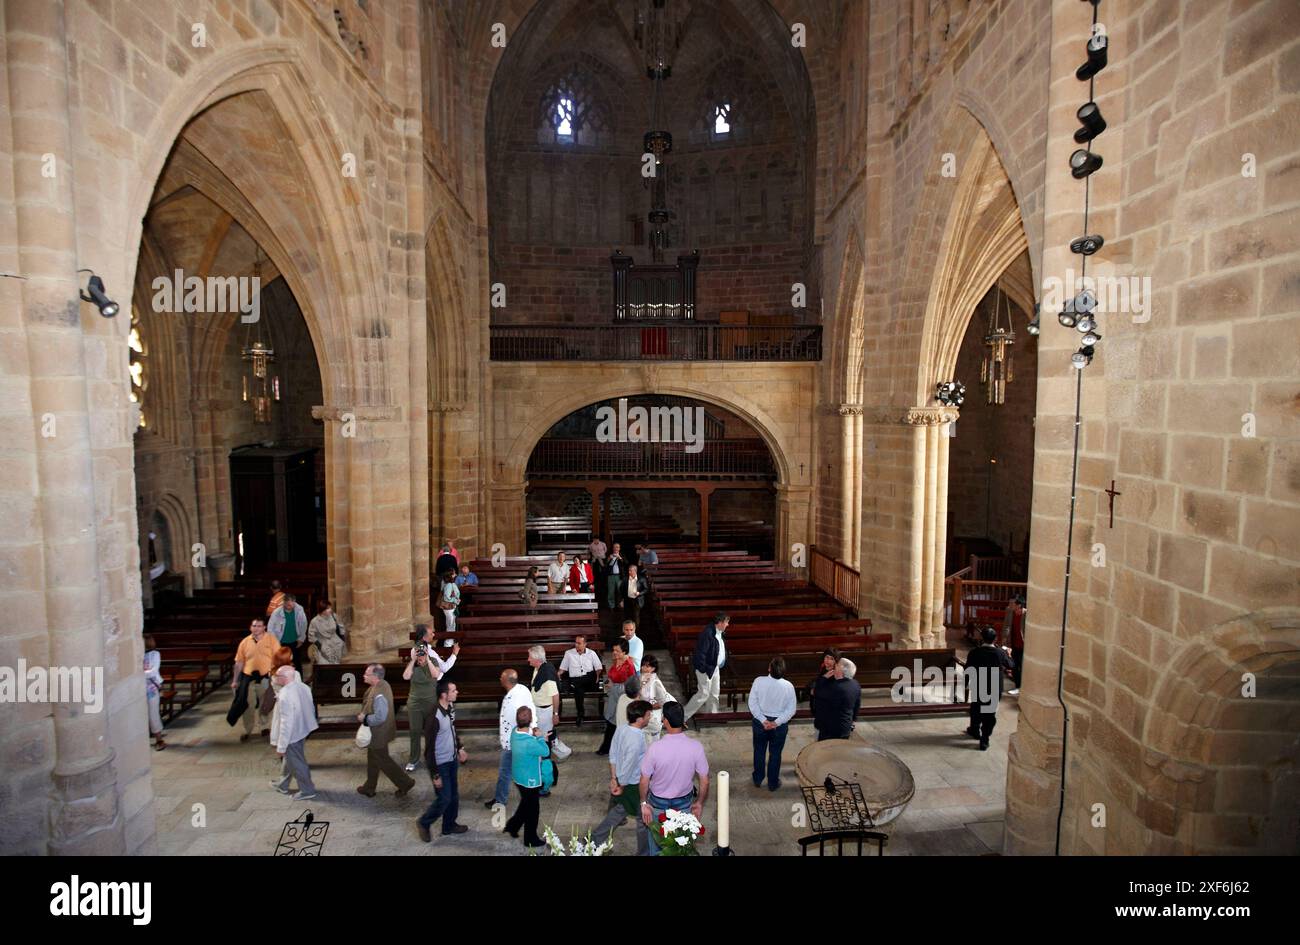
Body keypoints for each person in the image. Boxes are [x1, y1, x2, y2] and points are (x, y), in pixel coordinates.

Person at [638, 702, 709, 855]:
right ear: (683, 720)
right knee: (681, 845)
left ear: (665, 720)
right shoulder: (696, 747)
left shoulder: (655, 748)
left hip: (658, 802)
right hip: (683, 802)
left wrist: (643, 802)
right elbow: (704, 780)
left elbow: (644, 779)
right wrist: (699, 803)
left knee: (657, 843)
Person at [591, 699, 653, 855]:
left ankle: (594, 841)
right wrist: (621, 785)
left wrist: (614, 778)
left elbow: (613, 754)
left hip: (622, 779)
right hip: (633, 784)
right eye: (648, 715)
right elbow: (628, 765)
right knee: (642, 820)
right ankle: (644, 853)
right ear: (640, 719)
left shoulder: (622, 728)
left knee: (617, 813)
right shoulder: (636, 739)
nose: (650, 717)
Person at [417, 679, 470, 841]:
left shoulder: (450, 707)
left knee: (453, 796)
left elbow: (452, 730)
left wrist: (459, 748)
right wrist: (435, 774)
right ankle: (424, 822)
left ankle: (449, 826)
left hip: (452, 759)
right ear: (444, 695)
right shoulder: (433, 717)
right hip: (440, 764)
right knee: (444, 798)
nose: (457, 692)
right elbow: (429, 750)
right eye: (453, 690)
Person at [356, 663, 417, 797]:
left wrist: (364, 718)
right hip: (379, 732)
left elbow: (380, 717)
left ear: (375, 677)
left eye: (367, 674)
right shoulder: (382, 684)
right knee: (373, 758)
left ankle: (405, 783)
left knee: (384, 761)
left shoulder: (379, 694)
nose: (364, 676)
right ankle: (369, 787)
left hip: (378, 733)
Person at [503, 706, 551, 849]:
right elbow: (545, 751)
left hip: (518, 777)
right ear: (530, 721)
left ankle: (512, 826)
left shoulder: (514, 733)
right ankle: (530, 839)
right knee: (533, 810)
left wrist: (536, 738)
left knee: (525, 803)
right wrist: (541, 738)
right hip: (530, 780)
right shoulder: (530, 742)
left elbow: (530, 744)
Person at [488, 668, 535, 811]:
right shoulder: (522, 689)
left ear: (506, 681)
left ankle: (501, 800)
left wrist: (508, 742)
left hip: (513, 742)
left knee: (506, 772)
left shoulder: (513, 702)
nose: (499, 680)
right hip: (519, 740)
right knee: (511, 771)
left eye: (501, 678)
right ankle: (502, 798)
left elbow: (517, 722)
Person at [270, 665, 319, 800]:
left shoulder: (285, 695)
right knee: (290, 758)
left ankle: (307, 790)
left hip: (292, 734)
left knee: (297, 763)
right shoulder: (303, 687)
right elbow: (310, 707)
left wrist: (281, 746)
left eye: (277, 676)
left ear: (284, 678)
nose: (275, 678)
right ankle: (282, 784)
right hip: (303, 729)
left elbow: (286, 723)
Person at [748, 657, 796, 791]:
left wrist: (763, 720)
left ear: (769, 668)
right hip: (779, 725)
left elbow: (752, 703)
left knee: (759, 751)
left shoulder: (759, 681)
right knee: (775, 754)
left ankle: (758, 779)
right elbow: (791, 710)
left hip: (760, 723)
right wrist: (776, 722)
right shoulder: (788, 686)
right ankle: (772, 783)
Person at [965, 626, 1014, 750]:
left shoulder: (974, 652)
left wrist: (966, 683)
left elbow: (968, 669)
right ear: (995, 639)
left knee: (976, 707)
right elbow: (1011, 665)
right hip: (994, 685)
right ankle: (984, 739)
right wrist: (1009, 654)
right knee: (990, 713)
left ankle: (974, 730)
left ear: (982, 638)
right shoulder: (1000, 653)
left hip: (979, 683)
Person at [230, 618, 278, 742]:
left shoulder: (271, 639)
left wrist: (276, 675)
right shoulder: (245, 642)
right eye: (254, 626)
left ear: (264, 627)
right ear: (250, 627)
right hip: (248, 678)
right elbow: (239, 662)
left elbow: (278, 658)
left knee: (265, 703)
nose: (256, 628)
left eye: (259, 626)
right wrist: (235, 680)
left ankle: (264, 727)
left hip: (265, 677)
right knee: (247, 705)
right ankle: (248, 729)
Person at [402, 641, 443, 771]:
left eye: (422, 651)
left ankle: (432, 758)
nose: (420, 654)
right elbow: (406, 676)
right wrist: (413, 660)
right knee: (414, 731)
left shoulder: (433, 661)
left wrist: (428, 659)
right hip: (414, 703)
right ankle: (413, 759)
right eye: (418, 651)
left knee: (431, 731)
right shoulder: (413, 664)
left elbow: (436, 675)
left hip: (430, 702)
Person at [682, 612, 729, 721]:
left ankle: (712, 716)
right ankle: (682, 717)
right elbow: (700, 654)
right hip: (707, 669)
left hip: (715, 668)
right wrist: (704, 669)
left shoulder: (719, 632)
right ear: (720, 622)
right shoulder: (707, 634)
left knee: (714, 694)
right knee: (703, 694)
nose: (728, 625)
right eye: (726, 622)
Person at [558, 635, 603, 727]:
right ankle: (580, 714)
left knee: (590, 675)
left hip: (589, 681)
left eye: (579, 643)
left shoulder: (591, 653)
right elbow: (563, 668)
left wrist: (598, 676)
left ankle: (573, 684)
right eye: (576, 643)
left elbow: (598, 668)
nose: (576, 645)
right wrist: (558, 674)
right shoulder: (569, 653)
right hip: (576, 680)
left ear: (585, 644)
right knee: (578, 690)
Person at [815, 657, 862, 741]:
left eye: (837, 664)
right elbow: (857, 705)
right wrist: (853, 720)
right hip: (845, 726)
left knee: (825, 749)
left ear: (841, 670)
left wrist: (823, 678)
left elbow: (817, 693)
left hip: (830, 729)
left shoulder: (835, 687)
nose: (835, 665)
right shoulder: (855, 684)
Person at [637, 654, 676, 738]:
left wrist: (648, 707)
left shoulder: (655, 683)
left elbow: (664, 703)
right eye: (643, 665)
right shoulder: (642, 677)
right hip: (644, 714)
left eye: (647, 666)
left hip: (653, 717)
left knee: (651, 741)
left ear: (653, 668)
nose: (643, 668)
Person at [268, 593, 308, 672]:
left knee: (296, 662)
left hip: (295, 641)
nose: (289, 604)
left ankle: (298, 678)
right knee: (281, 663)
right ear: (283, 602)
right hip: (280, 641)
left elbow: (303, 625)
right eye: (287, 602)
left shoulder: (299, 610)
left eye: (292, 602)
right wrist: (275, 642)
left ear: (294, 602)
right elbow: (270, 628)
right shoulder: (276, 612)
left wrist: (301, 639)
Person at [806, 647, 840, 737]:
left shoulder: (836, 675)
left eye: (831, 659)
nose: (828, 661)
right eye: (826, 657)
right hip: (819, 714)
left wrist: (815, 690)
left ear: (836, 661)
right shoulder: (823, 669)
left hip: (828, 716)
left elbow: (823, 693)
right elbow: (812, 685)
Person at [307, 599, 346, 667]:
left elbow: (341, 627)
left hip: (336, 644)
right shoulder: (315, 621)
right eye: (328, 608)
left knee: (336, 665)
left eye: (330, 608)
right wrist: (320, 646)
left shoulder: (334, 616)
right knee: (324, 666)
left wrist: (342, 640)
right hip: (323, 646)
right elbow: (311, 636)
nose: (330, 610)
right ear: (322, 610)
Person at [143, 635, 165, 751]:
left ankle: (159, 739)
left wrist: (139, 674)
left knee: (153, 714)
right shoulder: (137, 655)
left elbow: (153, 672)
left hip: (151, 688)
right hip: (139, 688)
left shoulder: (155, 654)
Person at [1004, 596, 1026, 694]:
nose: (1009, 605)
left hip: (1024, 645)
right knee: (1014, 665)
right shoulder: (1009, 611)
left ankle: (1023, 687)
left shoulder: (1027, 614)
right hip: (1013, 643)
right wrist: (1005, 640)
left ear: (1019, 605)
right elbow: (1006, 626)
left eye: (1012, 603)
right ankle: (1017, 686)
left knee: (1022, 665)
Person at [605, 542, 626, 608]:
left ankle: (621, 605)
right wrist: (609, 558)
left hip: (620, 576)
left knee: (620, 591)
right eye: (614, 547)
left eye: (617, 547)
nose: (615, 548)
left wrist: (619, 557)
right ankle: (611, 606)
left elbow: (625, 563)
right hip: (611, 576)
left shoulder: (622, 555)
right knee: (611, 592)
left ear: (619, 548)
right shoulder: (609, 555)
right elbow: (605, 565)